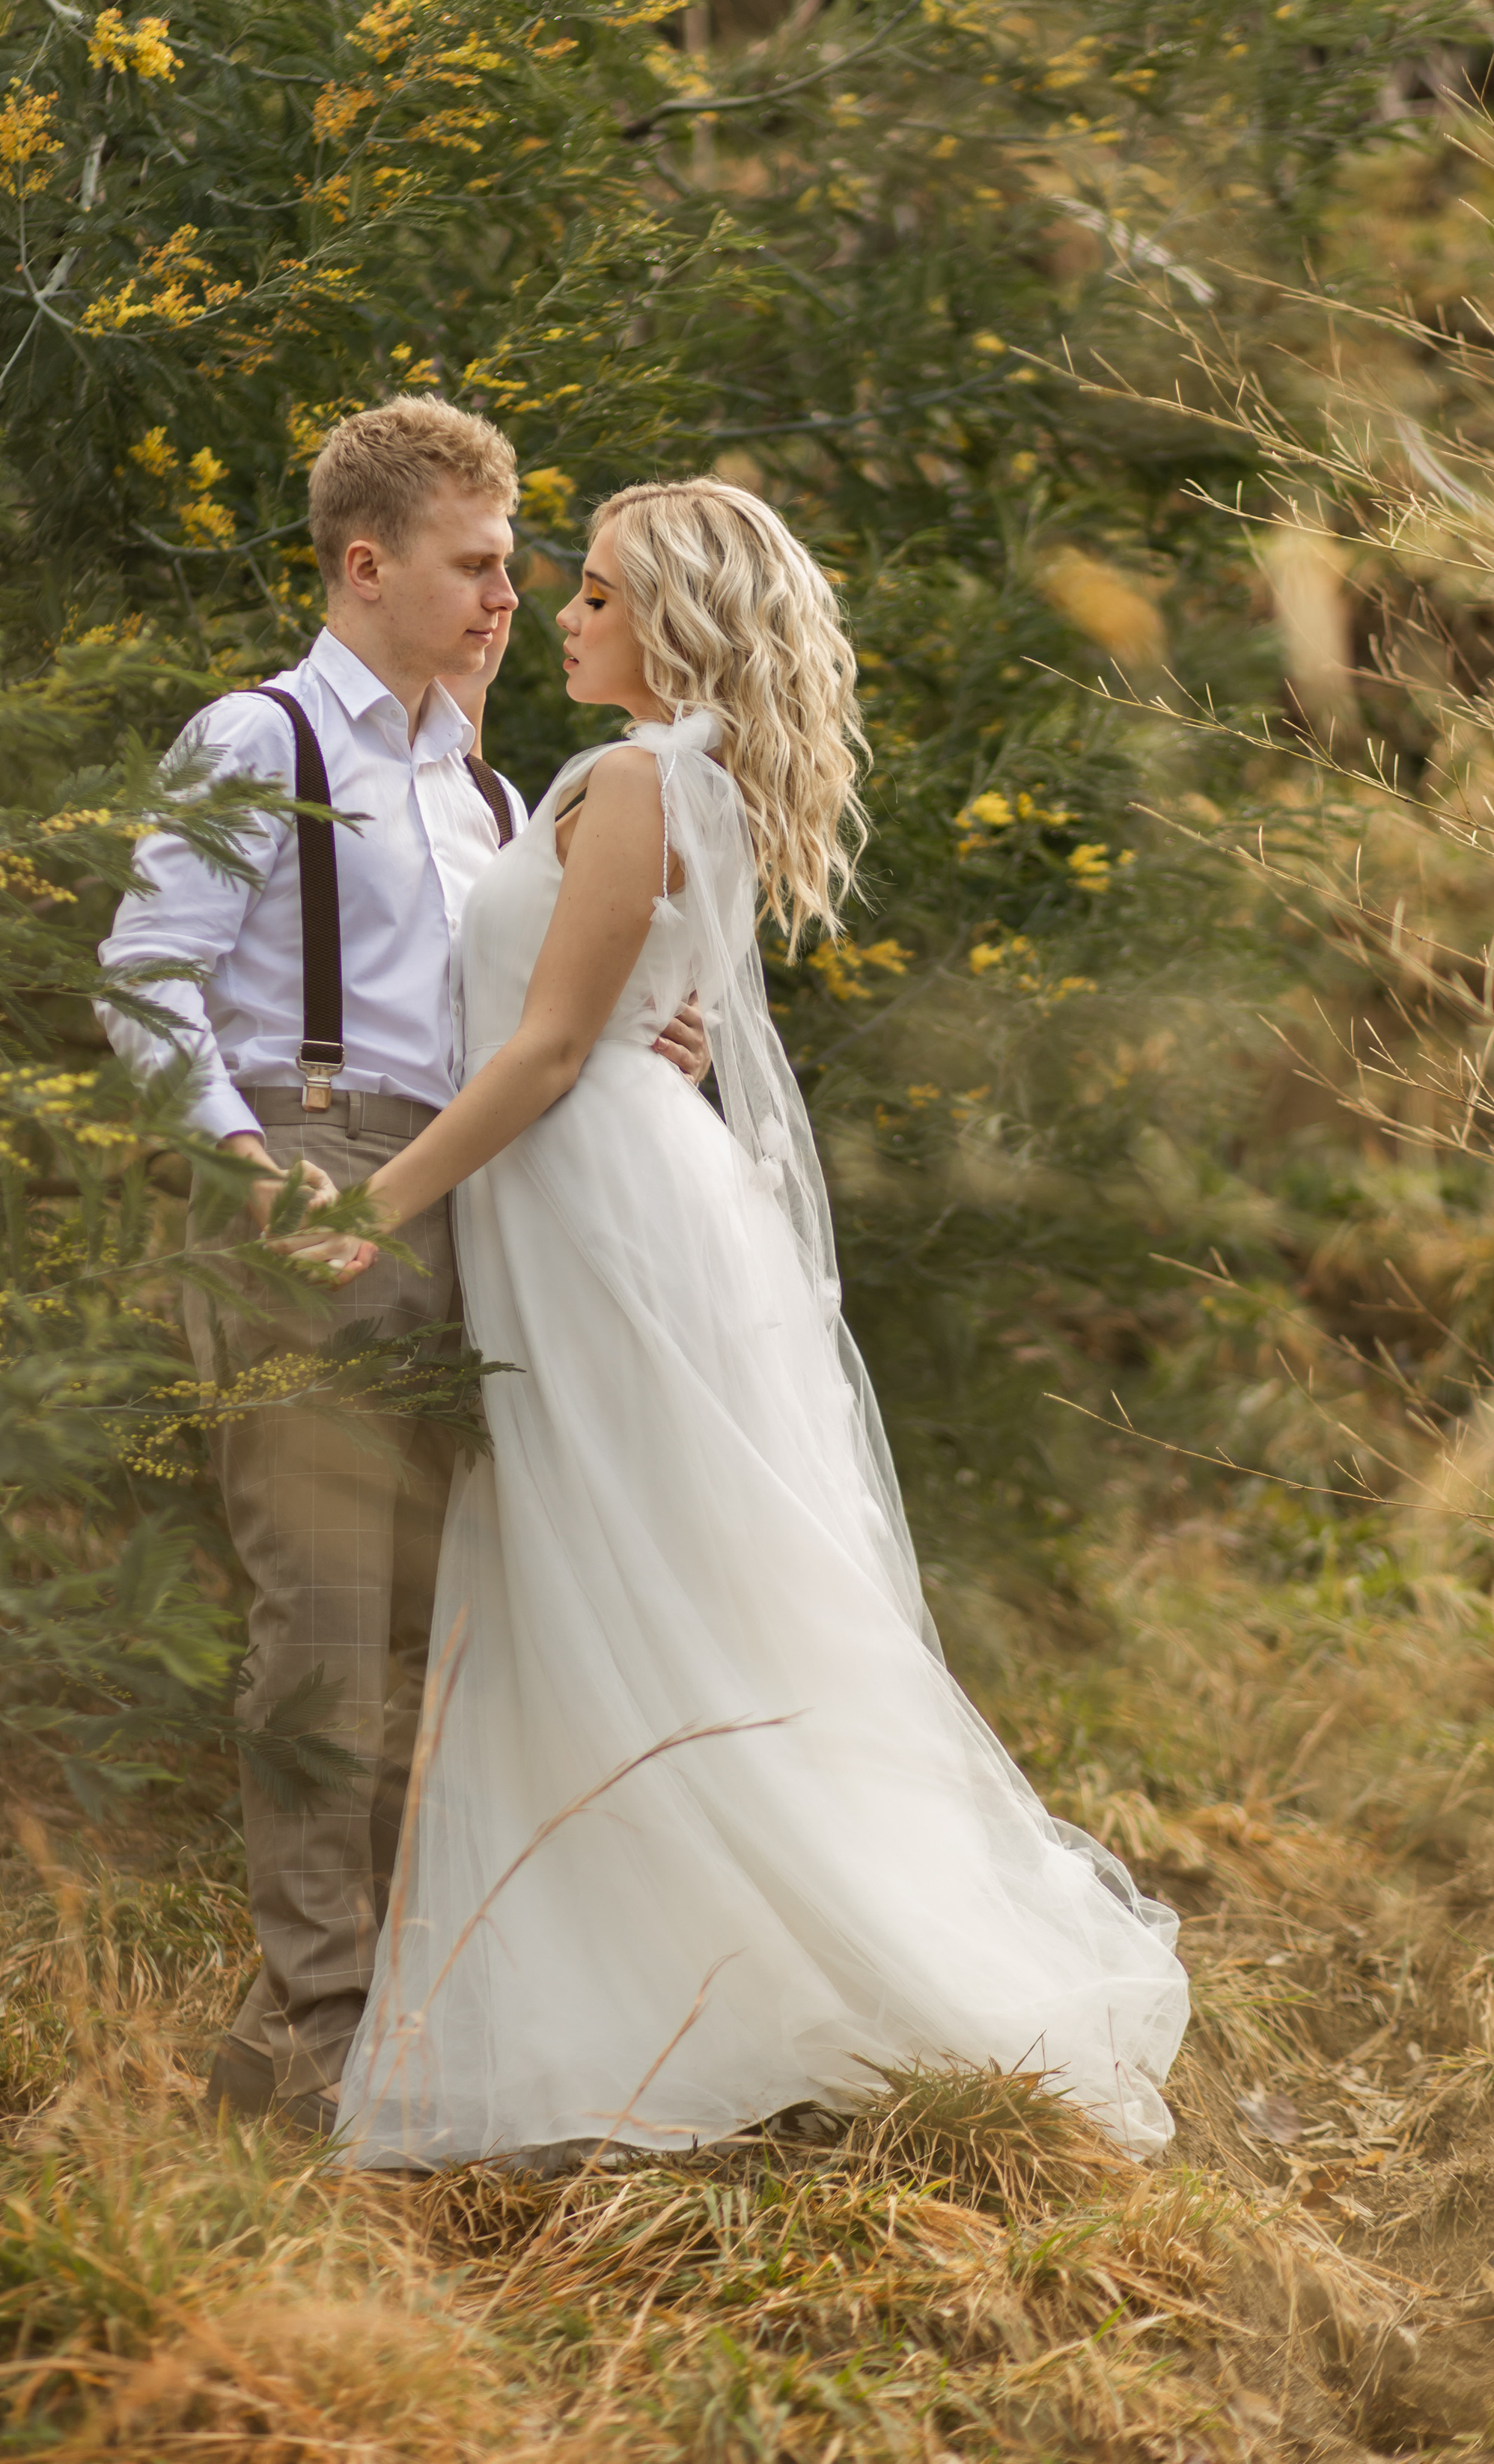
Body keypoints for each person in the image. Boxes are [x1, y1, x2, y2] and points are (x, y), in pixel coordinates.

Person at [292, 477, 1192, 2166]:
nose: (560, 614)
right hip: (599, 1191)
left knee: (635, 1571)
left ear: (675, 627)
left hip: (599, 1202)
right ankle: (669, 1952)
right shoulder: (642, 775)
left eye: (601, 598)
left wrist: (367, 1207)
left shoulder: (635, 775)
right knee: (622, 1574)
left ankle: (751, 1973)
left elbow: (550, 1049)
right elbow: (599, 1002)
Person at [94, 397, 706, 2135]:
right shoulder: (259, 738)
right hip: (306, 1171)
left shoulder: (493, 783)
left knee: (428, 1637)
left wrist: (641, 1051)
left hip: (470, 1200)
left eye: (519, 567)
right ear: (368, 565)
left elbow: (532, 1021)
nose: (511, 595)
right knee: (320, 1615)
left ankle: (317, 2025)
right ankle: (320, 2041)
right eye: (481, 563)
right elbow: (145, 977)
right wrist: (240, 1172)